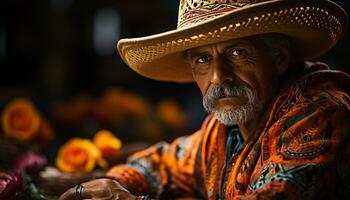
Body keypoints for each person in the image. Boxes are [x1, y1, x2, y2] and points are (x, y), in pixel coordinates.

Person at [58, 0, 350, 199]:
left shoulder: (320, 113)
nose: (218, 77)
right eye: (202, 59)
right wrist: (115, 183)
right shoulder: (224, 131)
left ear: (279, 57)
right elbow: (164, 162)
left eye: (237, 53)